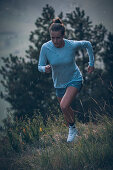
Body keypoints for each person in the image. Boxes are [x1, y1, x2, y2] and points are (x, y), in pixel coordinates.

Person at [38, 17, 94, 142]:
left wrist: (91, 63)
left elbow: (88, 44)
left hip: (74, 79)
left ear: (63, 35)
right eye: (52, 37)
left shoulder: (71, 45)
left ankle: (72, 128)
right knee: (66, 108)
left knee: (63, 106)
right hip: (58, 84)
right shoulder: (45, 48)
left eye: (58, 37)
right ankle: (73, 128)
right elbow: (39, 66)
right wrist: (44, 69)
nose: (55, 41)